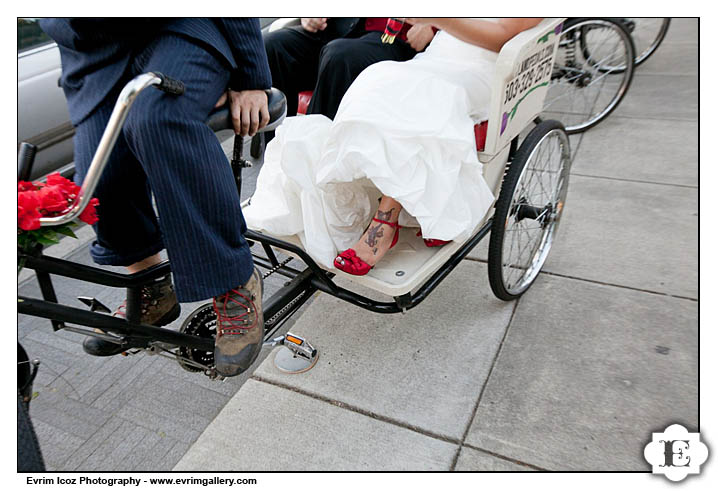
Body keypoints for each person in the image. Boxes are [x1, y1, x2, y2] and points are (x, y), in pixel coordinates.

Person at [39, 18, 271, 377]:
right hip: (94, 53)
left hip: (179, 31)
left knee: (156, 119)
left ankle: (234, 280)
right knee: (99, 173)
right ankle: (151, 285)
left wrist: (252, 76)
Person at [244, 18, 543, 275]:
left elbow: (505, 34)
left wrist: (441, 20)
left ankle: (385, 223)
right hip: (439, 54)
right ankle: (335, 184)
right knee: (378, 79)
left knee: (425, 98)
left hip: (487, 67)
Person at [264, 17, 437, 119]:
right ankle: (276, 156)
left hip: (392, 38)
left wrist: (433, 25)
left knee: (339, 57)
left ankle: (313, 159)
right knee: (272, 46)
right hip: (337, 27)